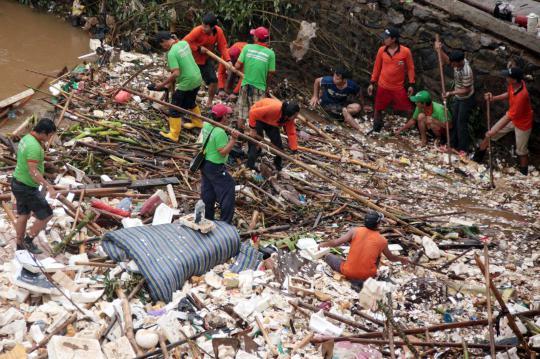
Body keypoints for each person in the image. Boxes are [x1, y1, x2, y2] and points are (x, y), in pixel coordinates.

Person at [473, 67, 533, 175]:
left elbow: (508, 118)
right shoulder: (516, 84)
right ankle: (476, 159)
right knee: (488, 136)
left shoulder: (522, 96)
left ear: (514, 80)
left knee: (521, 151)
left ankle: (524, 174)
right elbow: (508, 94)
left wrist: (494, 130)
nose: (506, 78)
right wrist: (494, 98)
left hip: (523, 123)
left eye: (508, 77)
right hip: (513, 116)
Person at [320, 212, 409, 284]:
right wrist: (401, 259)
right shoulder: (382, 240)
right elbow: (391, 258)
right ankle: (363, 277)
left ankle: (354, 277)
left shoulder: (354, 231)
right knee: (378, 255)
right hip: (368, 277)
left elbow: (336, 243)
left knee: (328, 256)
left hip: (348, 272)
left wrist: (322, 244)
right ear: (378, 225)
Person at [11, 119, 58, 254]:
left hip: (17, 181)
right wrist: (48, 186)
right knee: (46, 215)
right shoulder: (34, 147)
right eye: (49, 136)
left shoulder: (26, 138)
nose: (50, 139)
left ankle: (19, 245)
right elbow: (33, 171)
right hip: (27, 187)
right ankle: (29, 240)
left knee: (23, 214)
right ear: (43, 132)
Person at [153, 31, 203, 141]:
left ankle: (174, 135)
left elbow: (176, 73)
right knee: (190, 102)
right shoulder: (183, 43)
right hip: (198, 78)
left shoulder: (171, 53)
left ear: (164, 41)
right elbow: (178, 43)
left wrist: (162, 84)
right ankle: (198, 122)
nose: (163, 47)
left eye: (162, 45)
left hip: (187, 81)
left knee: (174, 108)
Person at [368, 27, 415, 133]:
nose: (384, 39)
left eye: (386, 38)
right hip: (383, 85)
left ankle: (409, 128)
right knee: (378, 107)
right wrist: (372, 82)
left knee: (407, 108)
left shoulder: (405, 51)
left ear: (393, 39)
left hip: (398, 87)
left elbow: (411, 68)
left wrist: (412, 84)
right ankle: (376, 127)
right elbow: (377, 67)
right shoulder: (381, 50)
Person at [200, 104, 238, 223]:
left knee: (208, 190)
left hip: (204, 163)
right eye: (227, 116)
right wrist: (233, 140)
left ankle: (208, 217)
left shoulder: (206, 124)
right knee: (228, 188)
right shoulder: (220, 132)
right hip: (215, 166)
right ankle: (225, 221)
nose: (228, 118)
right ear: (223, 117)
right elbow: (223, 152)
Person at [434, 41, 475, 153]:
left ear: (459, 62)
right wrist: (439, 49)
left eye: (454, 64)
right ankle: (452, 144)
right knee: (454, 120)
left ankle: (463, 148)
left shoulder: (467, 71)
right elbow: (447, 60)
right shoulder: (456, 63)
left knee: (461, 123)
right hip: (458, 96)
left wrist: (451, 93)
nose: (452, 66)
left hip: (466, 98)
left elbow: (466, 90)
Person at [183, 13, 231, 107]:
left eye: (206, 27)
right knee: (192, 81)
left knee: (213, 80)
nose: (203, 28)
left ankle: (209, 102)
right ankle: (187, 101)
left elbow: (223, 47)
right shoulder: (197, 30)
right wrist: (198, 48)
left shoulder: (218, 32)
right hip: (192, 59)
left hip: (205, 59)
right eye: (203, 25)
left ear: (212, 27)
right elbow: (185, 42)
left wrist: (228, 60)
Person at [235, 27, 276, 131]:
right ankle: (254, 138)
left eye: (254, 35)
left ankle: (239, 138)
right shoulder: (270, 54)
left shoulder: (247, 47)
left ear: (257, 38)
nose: (253, 36)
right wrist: (266, 87)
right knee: (257, 115)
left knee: (242, 113)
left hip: (245, 84)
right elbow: (270, 74)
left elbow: (237, 66)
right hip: (260, 87)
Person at [246, 98, 299, 173]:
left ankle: (277, 166)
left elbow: (291, 133)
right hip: (259, 118)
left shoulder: (289, 118)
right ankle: (249, 166)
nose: (296, 117)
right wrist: (252, 128)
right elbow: (253, 113)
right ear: (287, 115)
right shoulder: (274, 108)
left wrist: (294, 150)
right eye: (295, 115)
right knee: (256, 142)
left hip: (272, 122)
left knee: (278, 145)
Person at [309, 66, 365, 131]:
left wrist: (362, 103)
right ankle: (359, 128)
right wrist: (315, 96)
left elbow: (359, 91)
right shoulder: (328, 81)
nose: (334, 79)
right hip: (326, 103)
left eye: (337, 79)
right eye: (334, 77)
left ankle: (340, 116)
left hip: (339, 105)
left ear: (344, 80)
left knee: (357, 107)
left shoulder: (351, 86)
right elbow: (317, 81)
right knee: (344, 111)